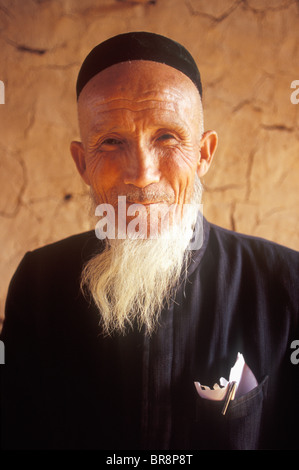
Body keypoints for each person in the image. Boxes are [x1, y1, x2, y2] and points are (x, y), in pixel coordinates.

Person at [1, 32, 298, 451]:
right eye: (111, 142)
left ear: (204, 154)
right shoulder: (38, 285)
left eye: (167, 138)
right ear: (82, 163)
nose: (142, 174)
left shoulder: (285, 284)